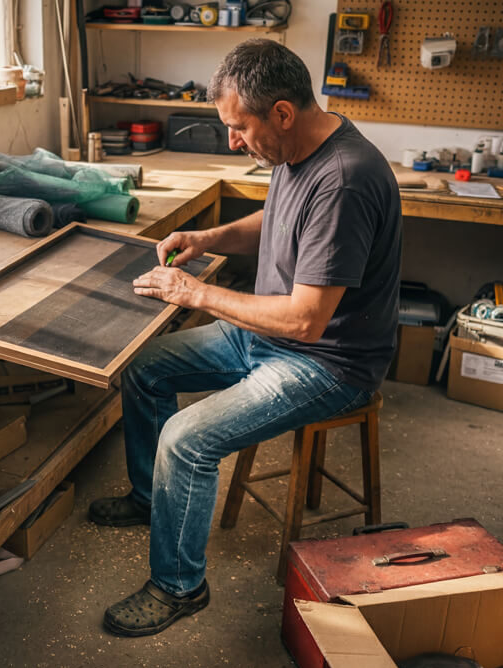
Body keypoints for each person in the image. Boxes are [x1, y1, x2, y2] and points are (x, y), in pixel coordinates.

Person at [88, 38, 402, 637]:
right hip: (266, 337)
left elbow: (307, 320)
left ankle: (179, 587)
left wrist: (196, 293)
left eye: (239, 127)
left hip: (326, 364)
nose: (233, 141)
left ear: (281, 112)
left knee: (186, 437)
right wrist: (210, 238)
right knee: (144, 366)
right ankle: (153, 500)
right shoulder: (296, 150)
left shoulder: (345, 180)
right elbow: (278, 221)